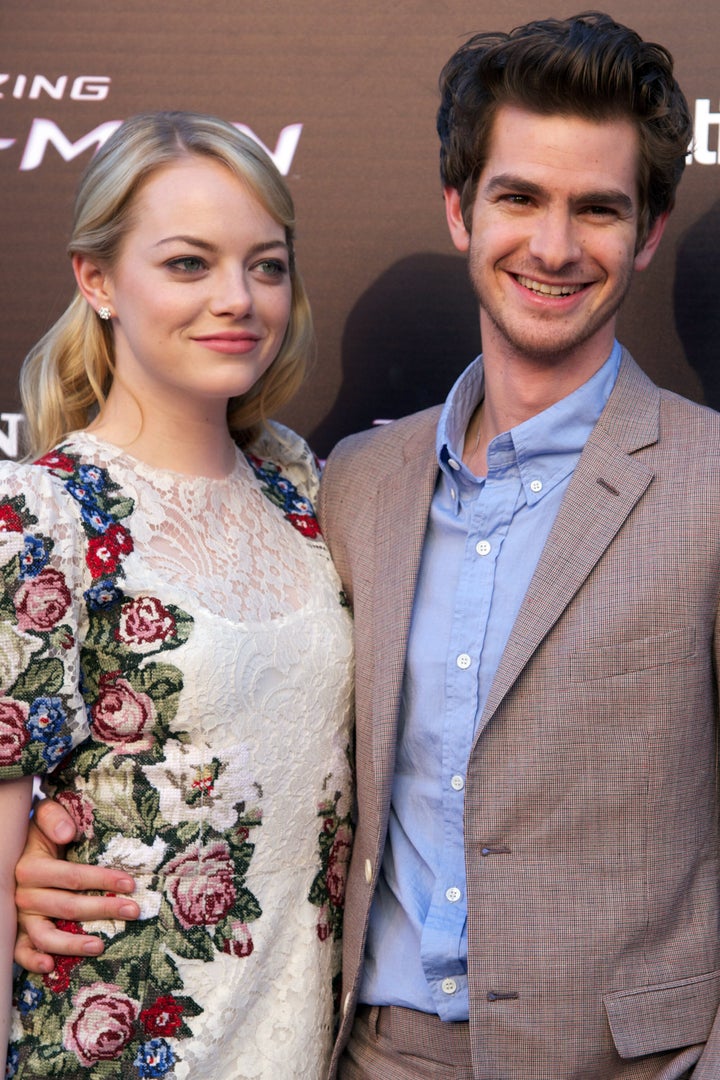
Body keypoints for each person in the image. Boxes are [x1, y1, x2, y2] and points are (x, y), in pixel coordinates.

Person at [12, 10, 720, 1079]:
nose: (554, 244)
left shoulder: (705, 480)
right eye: (519, 197)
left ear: (650, 232)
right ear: (459, 209)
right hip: (360, 1053)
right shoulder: (352, 486)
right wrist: (35, 857)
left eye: (599, 209)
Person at [0, 110, 354, 1079]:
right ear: (97, 278)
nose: (238, 299)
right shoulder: (39, 520)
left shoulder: (303, 486)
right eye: (189, 264)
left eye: (267, 265)